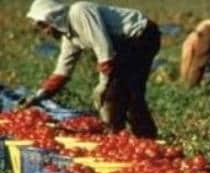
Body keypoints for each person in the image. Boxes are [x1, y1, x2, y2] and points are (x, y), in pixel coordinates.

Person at [21, 0, 160, 138]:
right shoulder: (70, 37)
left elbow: (104, 49)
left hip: (142, 35)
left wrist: (103, 85)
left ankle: (137, 138)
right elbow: (62, 71)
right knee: (122, 92)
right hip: (125, 44)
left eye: (45, 26)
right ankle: (125, 137)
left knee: (121, 92)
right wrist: (39, 95)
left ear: (53, 17)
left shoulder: (80, 11)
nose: (46, 32)